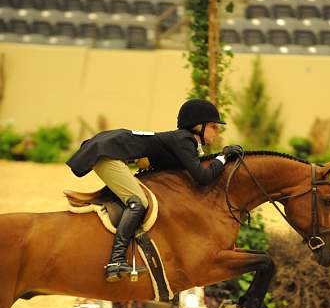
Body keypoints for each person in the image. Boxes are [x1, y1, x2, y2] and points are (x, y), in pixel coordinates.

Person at [66, 98, 243, 282]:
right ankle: (116, 261)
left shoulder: (184, 141)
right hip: (106, 154)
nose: (217, 131)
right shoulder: (184, 139)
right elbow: (203, 177)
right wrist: (223, 157)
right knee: (137, 202)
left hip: (111, 149)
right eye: (214, 126)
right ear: (199, 125)